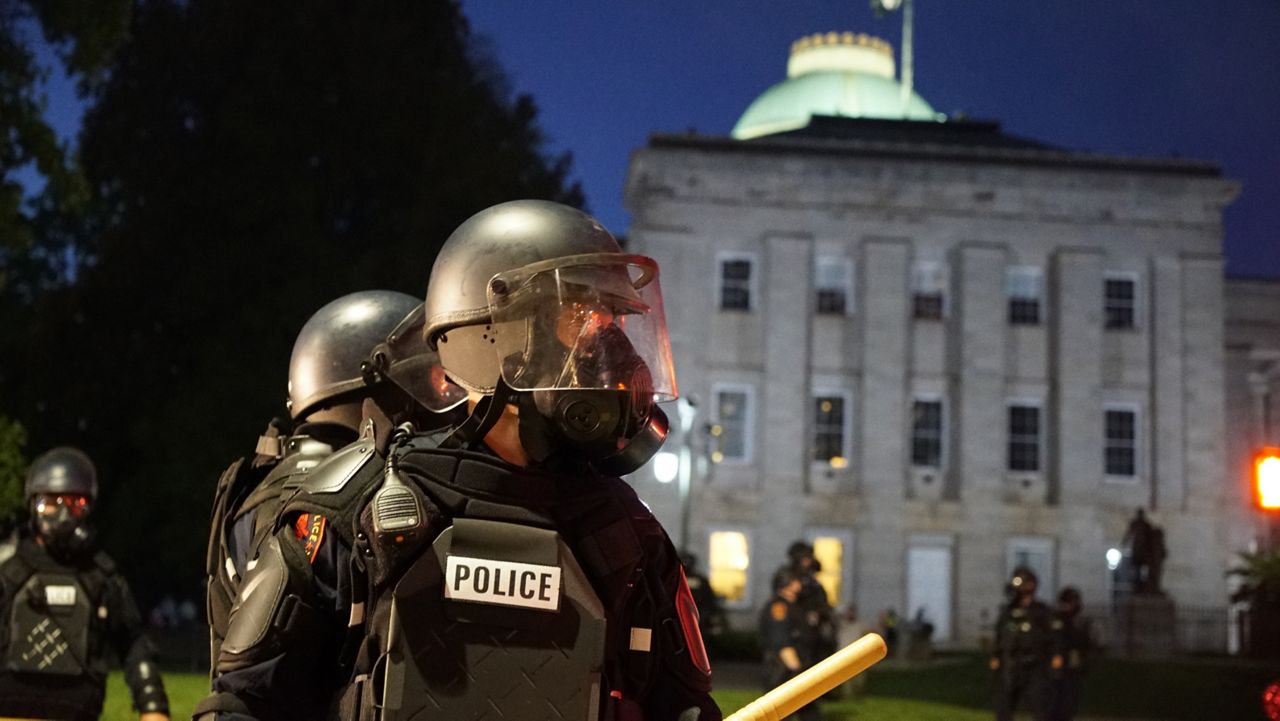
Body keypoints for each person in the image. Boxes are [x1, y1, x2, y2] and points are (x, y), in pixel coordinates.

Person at [198, 200, 720, 721]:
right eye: (581, 317)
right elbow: (243, 703)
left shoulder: (630, 537)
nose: (609, 350)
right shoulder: (349, 508)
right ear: (492, 333)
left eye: (612, 323)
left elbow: (684, 708)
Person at [203, 290, 466, 669]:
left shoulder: (266, 485)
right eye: (425, 381)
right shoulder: (329, 496)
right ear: (375, 392)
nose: (437, 399)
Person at [0, 447, 170, 721]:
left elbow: (133, 644)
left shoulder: (100, 577)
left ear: (89, 508)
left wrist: (153, 707)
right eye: (51, 503)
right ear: (32, 505)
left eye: (75, 503)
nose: (63, 515)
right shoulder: (6, 569)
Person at [758, 569, 821, 721]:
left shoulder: (796, 605)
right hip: (783, 670)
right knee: (781, 713)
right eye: (795, 581)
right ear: (786, 584)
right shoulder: (779, 607)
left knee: (809, 711)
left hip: (798, 665)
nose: (799, 585)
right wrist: (796, 669)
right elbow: (781, 640)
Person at [990, 566, 1051, 721]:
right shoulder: (1008, 611)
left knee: (1039, 708)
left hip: (1033, 665)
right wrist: (996, 655)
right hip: (1010, 664)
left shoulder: (1041, 611)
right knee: (1004, 707)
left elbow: (1049, 638)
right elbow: (999, 634)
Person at [1047, 587, 1092, 721]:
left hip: (1073, 671)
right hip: (1058, 672)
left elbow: (1085, 644)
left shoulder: (1079, 622)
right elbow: (1057, 642)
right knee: (1055, 707)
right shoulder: (1057, 620)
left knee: (1068, 707)